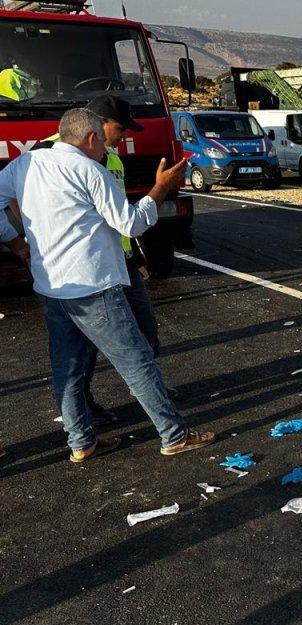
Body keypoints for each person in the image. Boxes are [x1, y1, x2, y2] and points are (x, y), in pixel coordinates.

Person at [0, 108, 215, 461]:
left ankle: (81, 442)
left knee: (67, 369)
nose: (105, 147)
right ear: (89, 139)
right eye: (101, 140)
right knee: (136, 361)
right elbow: (129, 224)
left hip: (51, 286)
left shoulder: (25, 164)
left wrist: (15, 241)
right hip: (94, 286)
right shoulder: (89, 170)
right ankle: (173, 434)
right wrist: (159, 190)